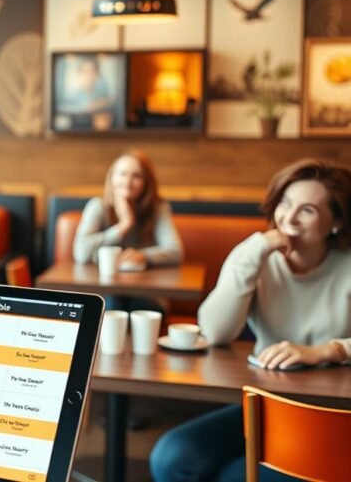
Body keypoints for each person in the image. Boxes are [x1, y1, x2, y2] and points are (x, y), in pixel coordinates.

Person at [150, 159, 351, 482]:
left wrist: (328, 351)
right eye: (285, 204)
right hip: (268, 405)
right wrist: (251, 254)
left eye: (308, 210)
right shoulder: (255, 256)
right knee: (173, 457)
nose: (290, 218)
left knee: (234, 476)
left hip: (334, 415)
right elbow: (214, 331)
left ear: (336, 222)